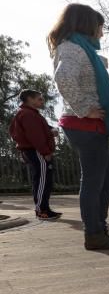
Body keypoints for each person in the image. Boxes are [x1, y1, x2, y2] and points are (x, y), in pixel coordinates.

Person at [49, 3, 109, 250]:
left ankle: (98, 229)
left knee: (105, 181)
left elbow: (79, 74)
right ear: (88, 25)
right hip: (85, 124)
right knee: (95, 181)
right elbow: (63, 78)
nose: (102, 34)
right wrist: (86, 109)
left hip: (87, 125)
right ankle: (94, 233)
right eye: (100, 28)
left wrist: (97, 63)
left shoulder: (77, 48)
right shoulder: (73, 48)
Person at [8, 89, 61, 220]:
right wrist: (45, 151)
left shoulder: (31, 114)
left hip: (35, 151)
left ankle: (44, 208)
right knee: (43, 180)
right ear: (30, 99)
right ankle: (42, 211)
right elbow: (35, 136)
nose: (42, 101)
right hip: (37, 151)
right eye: (39, 98)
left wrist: (51, 129)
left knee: (43, 180)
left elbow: (42, 129)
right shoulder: (28, 115)